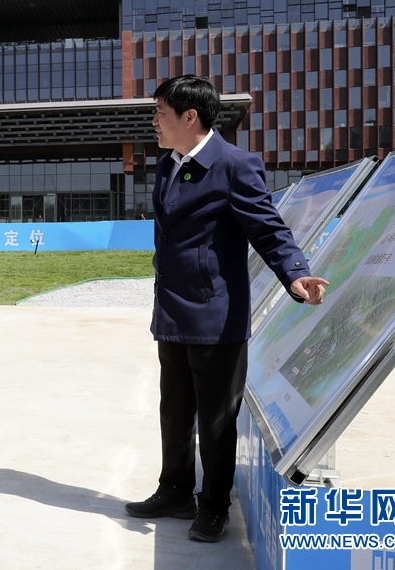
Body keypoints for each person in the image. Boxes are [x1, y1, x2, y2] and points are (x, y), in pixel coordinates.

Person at [125, 75, 328, 543]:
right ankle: (174, 491)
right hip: (172, 312)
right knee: (175, 411)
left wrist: (295, 274)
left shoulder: (235, 165)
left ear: (189, 117)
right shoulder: (168, 164)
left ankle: (214, 506)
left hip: (216, 317)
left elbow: (268, 228)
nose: (154, 121)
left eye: (159, 112)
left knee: (216, 420)